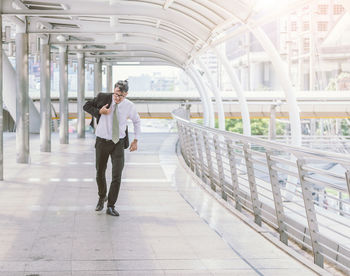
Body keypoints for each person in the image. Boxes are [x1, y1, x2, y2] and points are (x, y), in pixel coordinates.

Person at [83, 80, 141, 216]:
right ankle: (102, 196)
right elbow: (86, 106)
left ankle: (111, 205)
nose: (117, 98)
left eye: (120, 96)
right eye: (115, 94)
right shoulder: (103, 97)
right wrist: (99, 111)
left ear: (126, 94)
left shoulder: (129, 106)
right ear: (113, 90)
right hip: (102, 142)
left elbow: (137, 121)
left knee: (117, 175)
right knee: (100, 172)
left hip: (118, 144)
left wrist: (136, 140)